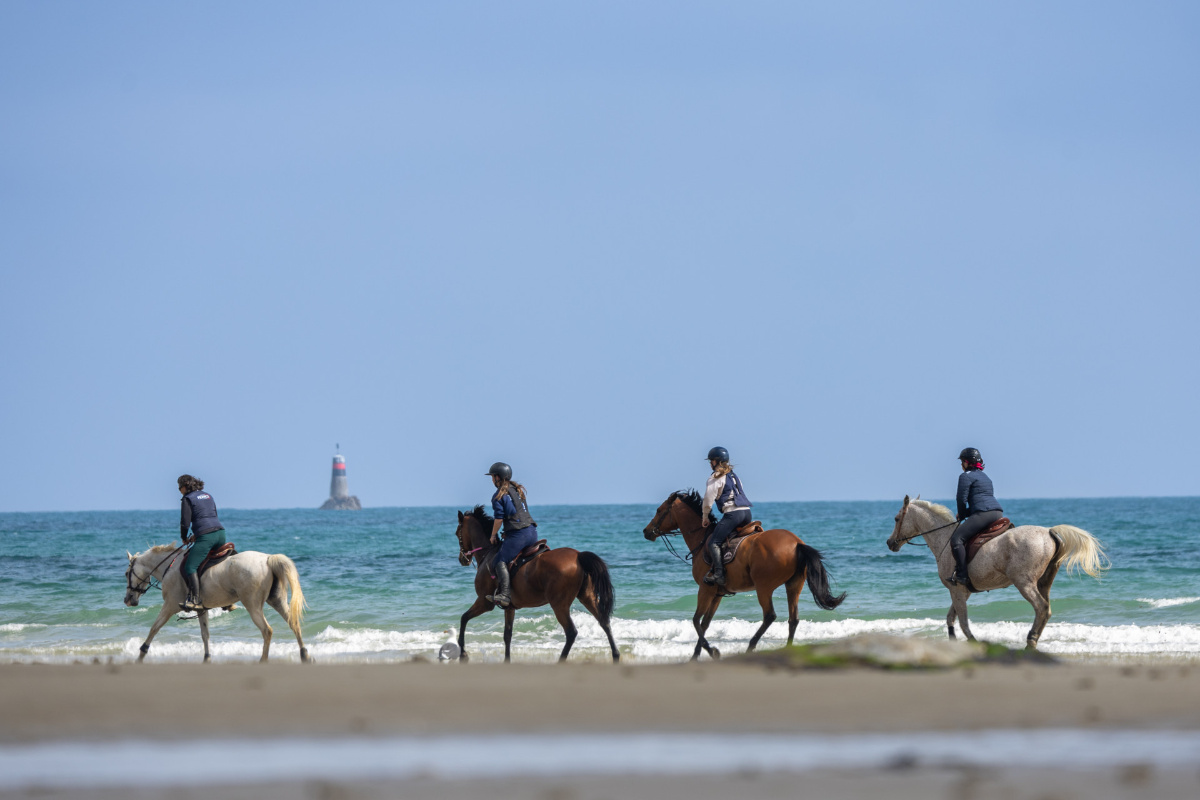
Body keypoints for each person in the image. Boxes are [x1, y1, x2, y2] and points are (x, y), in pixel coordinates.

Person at [485, 462, 538, 608]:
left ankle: (505, 595)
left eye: (492, 477)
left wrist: (493, 535)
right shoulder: (517, 489)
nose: (492, 480)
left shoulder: (498, 496)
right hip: (532, 532)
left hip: (519, 535)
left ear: (497, 477)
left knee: (499, 561)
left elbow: (499, 518)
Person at [948, 448, 1003, 586]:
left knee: (957, 539)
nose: (961, 465)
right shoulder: (986, 477)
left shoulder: (965, 476)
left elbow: (961, 499)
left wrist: (961, 515)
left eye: (962, 462)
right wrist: (966, 513)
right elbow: (979, 501)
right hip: (997, 512)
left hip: (983, 513)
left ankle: (962, 575)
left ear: (966, 462)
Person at [700, 446, 753, 587]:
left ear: (716, 461)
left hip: (733, 514)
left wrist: (705, 516)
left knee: (714, 543)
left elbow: (707, 500)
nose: (710, 464)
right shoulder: (734, 476)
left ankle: (719, 574)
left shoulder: (715, 477)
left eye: (711, 461)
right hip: (747, 513)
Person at [177, 474, 227, 611]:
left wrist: (184, 537)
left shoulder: (187, 499)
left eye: (179, 487)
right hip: (220, 534)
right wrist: (196, 534)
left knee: (190, 567)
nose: (179, 490)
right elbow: (212, 516)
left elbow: (185, 523)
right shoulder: (208, 496)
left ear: (185, 486)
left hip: (207, 537)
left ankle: (195, 600)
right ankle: (227, 600)